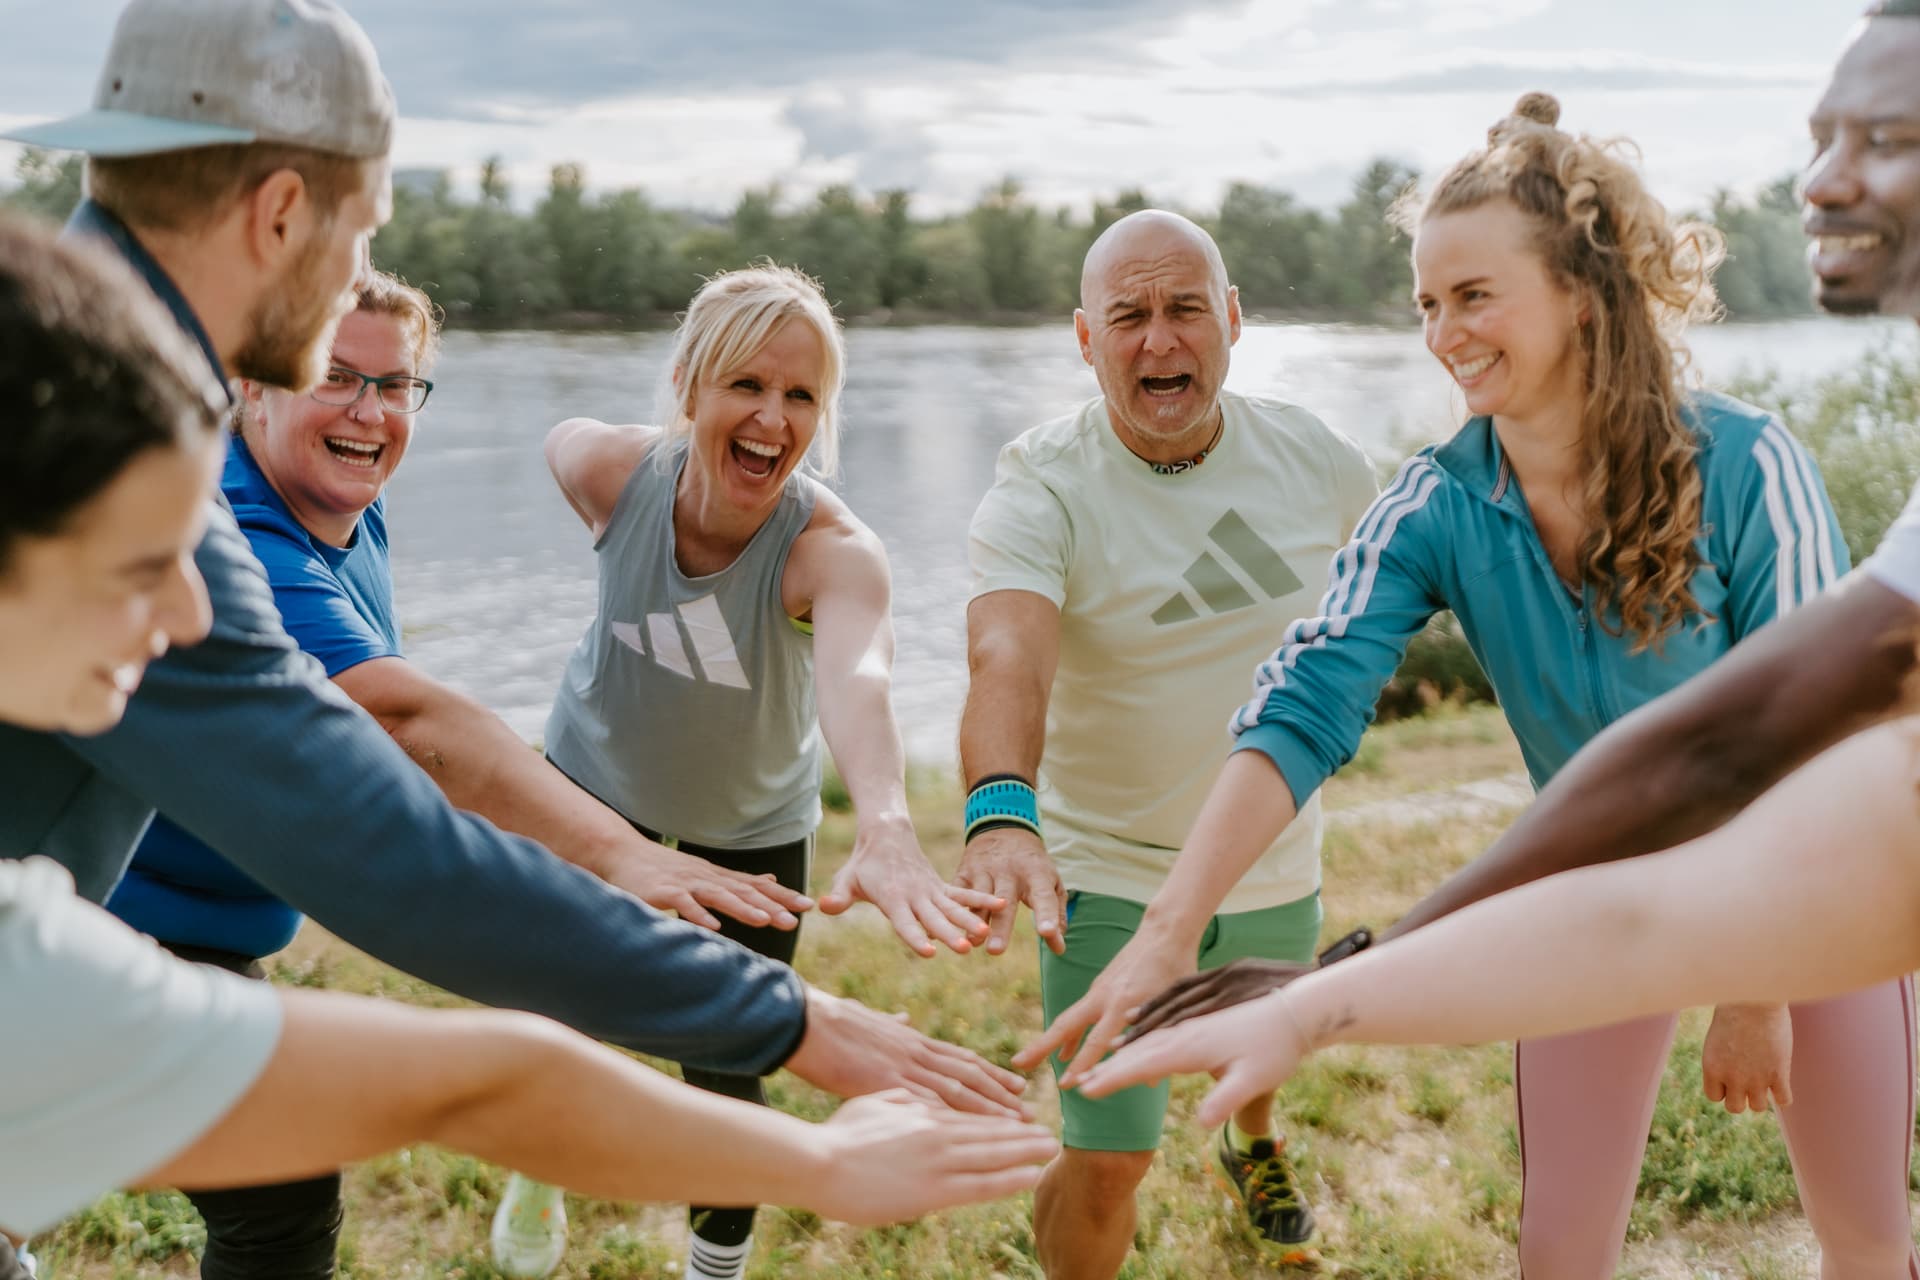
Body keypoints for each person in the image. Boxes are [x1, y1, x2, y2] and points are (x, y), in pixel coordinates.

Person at [0, 2, 1022, 1274]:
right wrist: (781, 1016)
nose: (182, 612)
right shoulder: (119, 444)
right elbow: (386, 833)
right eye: (363, 222)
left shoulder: (74, 375)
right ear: (279, 213)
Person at [1024, 95, 1919, 1280]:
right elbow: (1305, 702)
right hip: (1593, 894)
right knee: (1558, 1251)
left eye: (1476, 295)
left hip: (1810, 882)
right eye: (1428, 304)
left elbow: (1823, 739)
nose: (1445, 332)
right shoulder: (1437, 502)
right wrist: (1169, 930)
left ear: (1584, 293)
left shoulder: (1750, 463)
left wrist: (1757, 989)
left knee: (1864, 1236)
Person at [95, 267, 823, 1279]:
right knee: (277, 1198)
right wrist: (618, 854)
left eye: (395, 387)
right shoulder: (237, 535)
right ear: (249, 384)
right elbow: (412, 719)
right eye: (334, 375)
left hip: (181, 927)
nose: (369, 412)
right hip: (112, 924)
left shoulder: (337, 497)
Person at [517, 262, 1003, 1280]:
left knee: (728, 1061)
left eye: (801, 396)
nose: (773, 419)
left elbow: (859, 678)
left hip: (749, 837)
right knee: (553, 997)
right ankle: (537, 1158)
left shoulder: (832, 552)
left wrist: (885, 821)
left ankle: (715, 1268)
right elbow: (561, 441)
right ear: (690, 384)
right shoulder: (612, 473)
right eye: (747, 384)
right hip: (588, 787)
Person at [954, 208, 1379, 1278]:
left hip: (1267, 855)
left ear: (1232, 318)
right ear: (1086, 339)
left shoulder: (1320, 462)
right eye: (1129, 315)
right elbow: (1009, 654)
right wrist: (1001, 805)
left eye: (1186, 308)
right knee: (1111, 1159)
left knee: (1253, 1046)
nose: (1160, 340)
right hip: (1108, 874)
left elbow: (1415, 584)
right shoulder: (1043, 484)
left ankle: (1251, 1137)